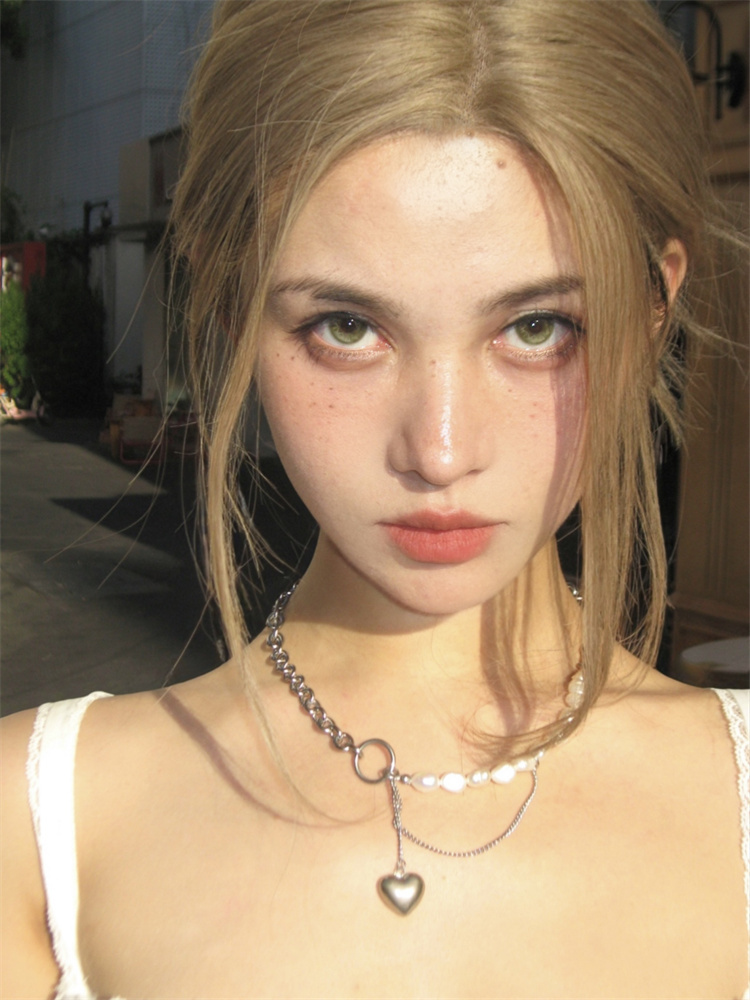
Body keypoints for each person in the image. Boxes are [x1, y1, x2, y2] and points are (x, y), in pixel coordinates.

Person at [2, 1, 748, 996]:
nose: (440, 452)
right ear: (232, 306)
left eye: (537, 327)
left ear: (652, 312)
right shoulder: (37, 829)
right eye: (347, 327)